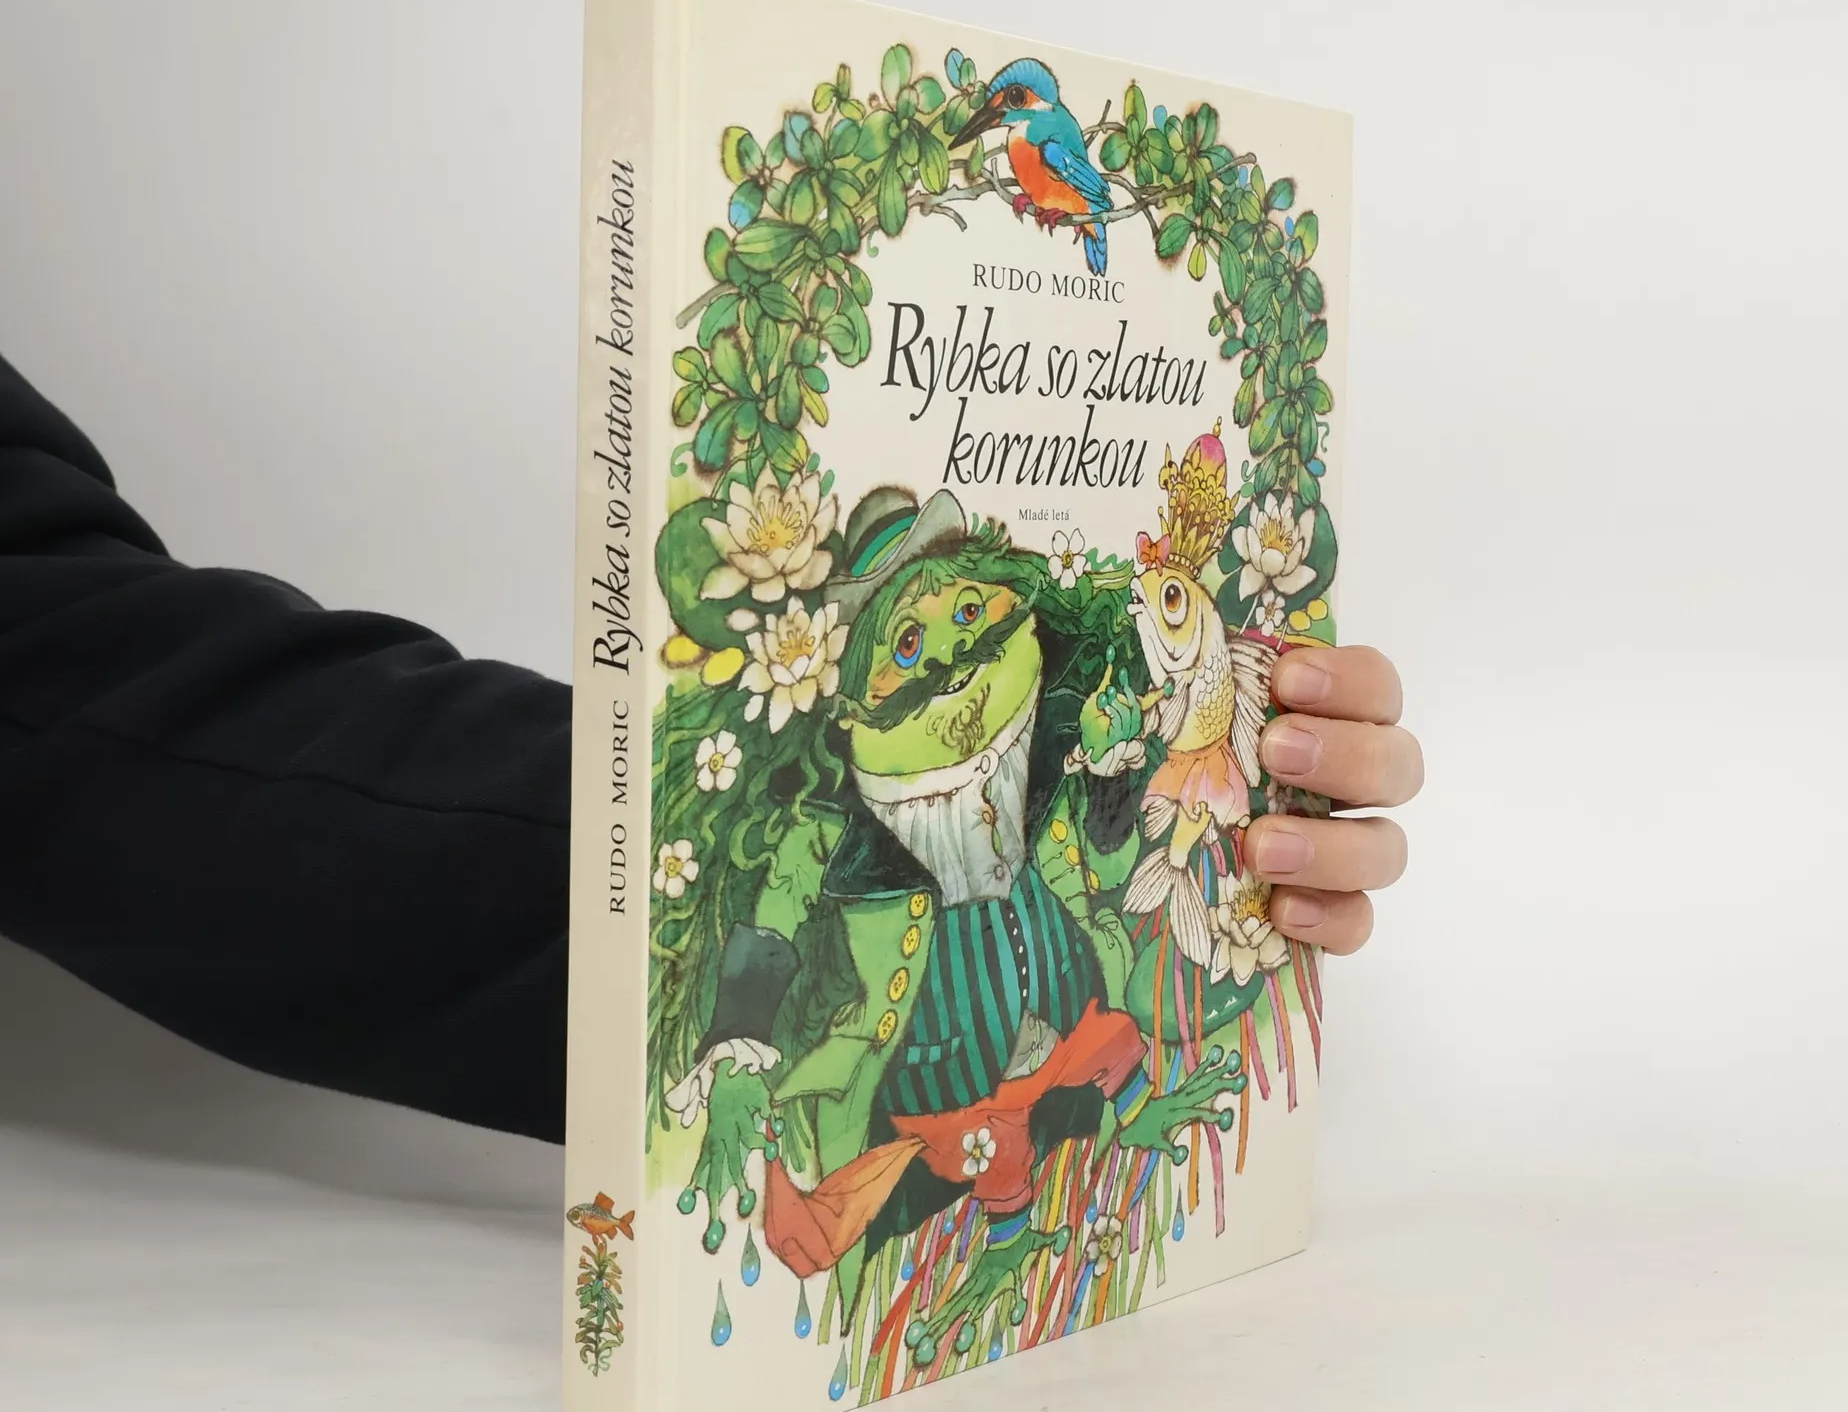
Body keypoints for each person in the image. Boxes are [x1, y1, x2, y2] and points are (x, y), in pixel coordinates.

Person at [0, 349, 1421, 1144]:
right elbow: (81, 697)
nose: (947, 657)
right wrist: (717, 908)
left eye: (969, 619)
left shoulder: (1036, 766)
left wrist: (1210, 802)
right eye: (910, 638)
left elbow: (70, 663)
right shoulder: (847, 844)